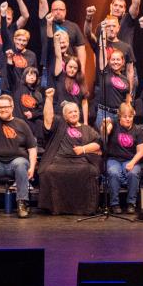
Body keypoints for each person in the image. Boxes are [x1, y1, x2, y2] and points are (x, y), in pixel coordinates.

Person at [0, 62, 38, 218]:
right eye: (0, 107)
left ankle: (22, 203)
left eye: (6, 107)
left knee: (20, 163)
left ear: (12, 107)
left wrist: (32, 166)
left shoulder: (21, 124)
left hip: (15, 163)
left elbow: (32, 147)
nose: (3, 110)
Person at [39, 88, 101, 216]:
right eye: (70, 112)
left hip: (80, 161)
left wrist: (83, 149)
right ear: (65, 115)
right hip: (60, 160)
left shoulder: (87, 129)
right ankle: (56, 208)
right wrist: (49, 99)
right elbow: (48, 118)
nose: (73, 114)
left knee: (90, 171)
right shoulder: (60, 124)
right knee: (49, 171)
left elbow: (97, 144)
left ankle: (86, 209)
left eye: (75, 111)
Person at [37, 0, 88, 74]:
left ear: (65, 11)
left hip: (69, 68)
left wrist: (81, 70)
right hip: (49, 65)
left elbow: (81, 49)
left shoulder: (73, 26)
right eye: (55, 9)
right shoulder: (46, 22)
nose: (58, 12)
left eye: (61, 9)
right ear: (51, 11)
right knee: (48, 90)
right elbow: (42, 0)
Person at [103, 102, 143, 214]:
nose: (128, 119)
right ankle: (114, 204)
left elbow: (141, 151)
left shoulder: (137, 130)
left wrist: (132, 162)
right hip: (114, 159)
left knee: (133, 173)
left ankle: (131, 203)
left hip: (130, 159)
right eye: (125, 116)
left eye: (130, 116)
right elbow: (105, 132)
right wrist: (105, 126)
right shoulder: (114, 125)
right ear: (120, 116)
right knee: (113, 172)